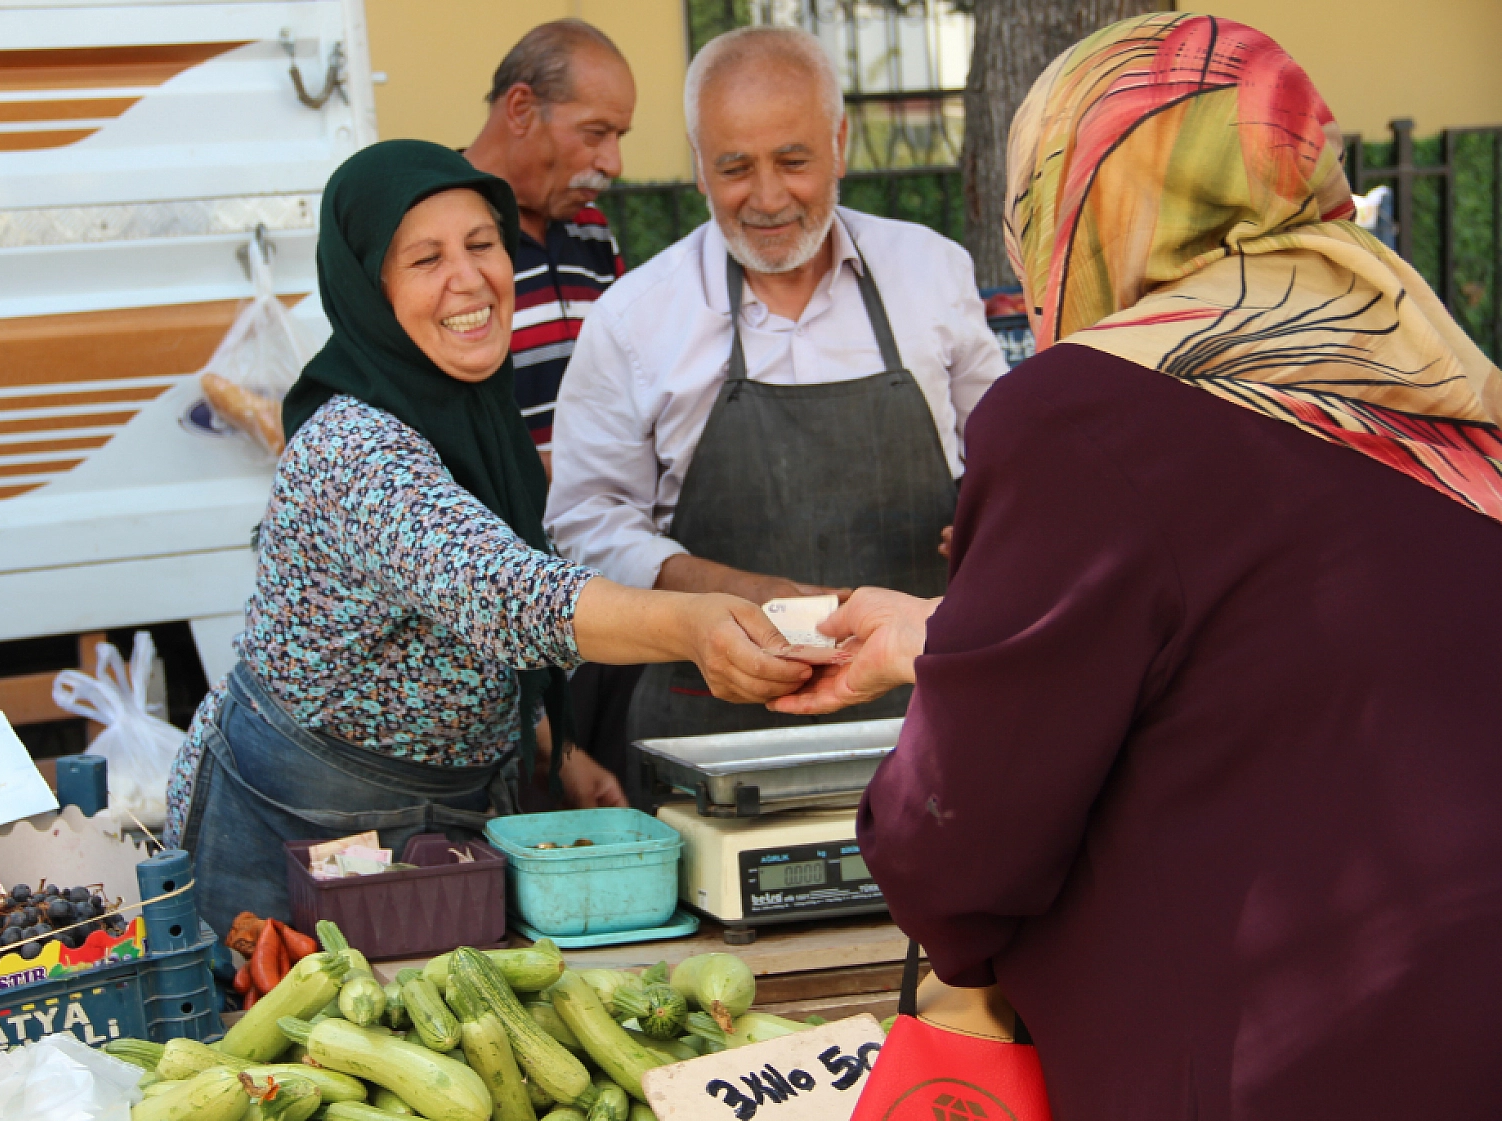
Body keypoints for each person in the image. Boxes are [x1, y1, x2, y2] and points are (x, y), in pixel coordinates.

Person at [776, 14, 1502, 1116]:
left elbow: (961, 839)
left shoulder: (1080, 410)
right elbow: (1271, 641)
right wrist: (946, 629)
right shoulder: (1430, 367)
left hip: (1261, 1056)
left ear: (1076, 189)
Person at [163, 141, 810, 938]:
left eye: (481, 244)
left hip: (443, 818)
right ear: (372, 291)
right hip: (290, 826)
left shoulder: (474, 416)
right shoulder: (351, 445)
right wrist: (692, 623)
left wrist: (554, 751)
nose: (468, 279)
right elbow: (501, 590)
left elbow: (445, 628)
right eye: (426, 259)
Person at [545, 26, 1007, 753]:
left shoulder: (930, 273)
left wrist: (996, 517)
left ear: (841, 144)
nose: (766, 198)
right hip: (710, 731)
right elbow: (585, 524)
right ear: (698, 166)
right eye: (734, 168)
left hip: (933, 717)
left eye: (793, 160)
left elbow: (1007, 453)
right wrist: (738, 591)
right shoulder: (634, 319)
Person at [463, 19, 633, 478]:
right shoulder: (437, 226)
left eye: (620, 136)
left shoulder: (592, 230)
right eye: (595, 133)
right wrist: (563, 472)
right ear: (520, 109)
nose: (612, 163)